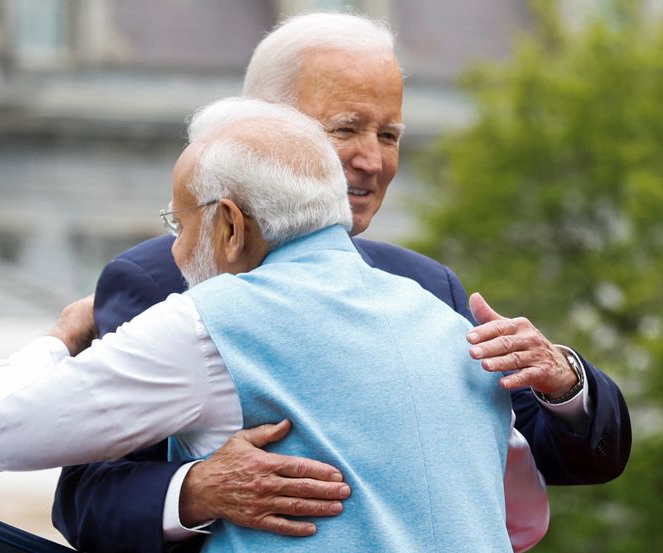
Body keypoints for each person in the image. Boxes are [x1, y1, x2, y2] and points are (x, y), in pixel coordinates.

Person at [53, 12, 631, 553]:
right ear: (258, 132)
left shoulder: (429, 287)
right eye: (346, 129)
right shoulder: (161, 279)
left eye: (389, 135)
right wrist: (199, 489)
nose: (371, 160)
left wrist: (564, 385)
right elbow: (87, 501)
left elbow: (561, 457)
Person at [0, 97, 546, 552]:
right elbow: (523, 514)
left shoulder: (208, 323)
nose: (175, 250)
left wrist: (63, 334)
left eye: (181, 223)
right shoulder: (442, 322)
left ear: (231, 227)